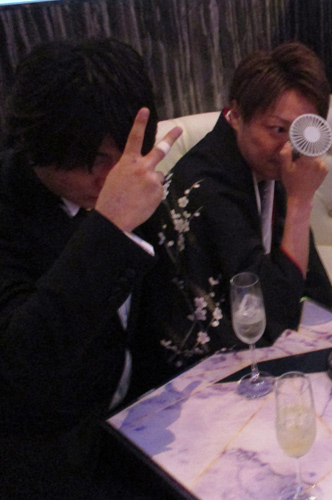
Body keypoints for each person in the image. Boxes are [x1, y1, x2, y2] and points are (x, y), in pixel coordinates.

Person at [0, 39, 181, 498]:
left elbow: (153, 311)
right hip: (46, 458)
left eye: (123, 153)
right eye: (95, 159)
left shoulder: (129, 181)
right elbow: (22, 365)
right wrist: (109, 224)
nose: (113, 177)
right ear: (38, 146)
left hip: (135, 427)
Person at [157, 41, 332, 358]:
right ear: (236, 115)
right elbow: (273, 315)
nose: (289, 148)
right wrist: (300, 201)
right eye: (277, 129)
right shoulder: (206, 188)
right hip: (196, 367)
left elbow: (317, 291)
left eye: (302, 132)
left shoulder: (266, 166)